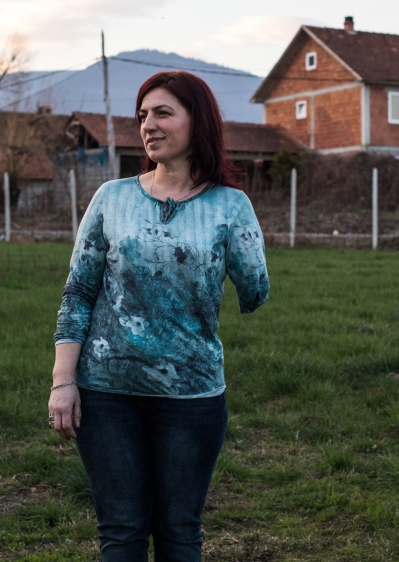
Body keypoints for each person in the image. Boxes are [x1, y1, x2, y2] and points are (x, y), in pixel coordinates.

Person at [48, 70, 270, 561]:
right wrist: (64, 381)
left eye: (163, 112)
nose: (148, 124)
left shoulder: (231, 206)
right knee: (122, 533)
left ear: (199, 121)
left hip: (191, 396)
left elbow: (254, 293)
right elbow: (78, 294)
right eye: (143, 115)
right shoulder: (112, 198)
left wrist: (244, 242)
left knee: (179, 533)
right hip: (105, 393)